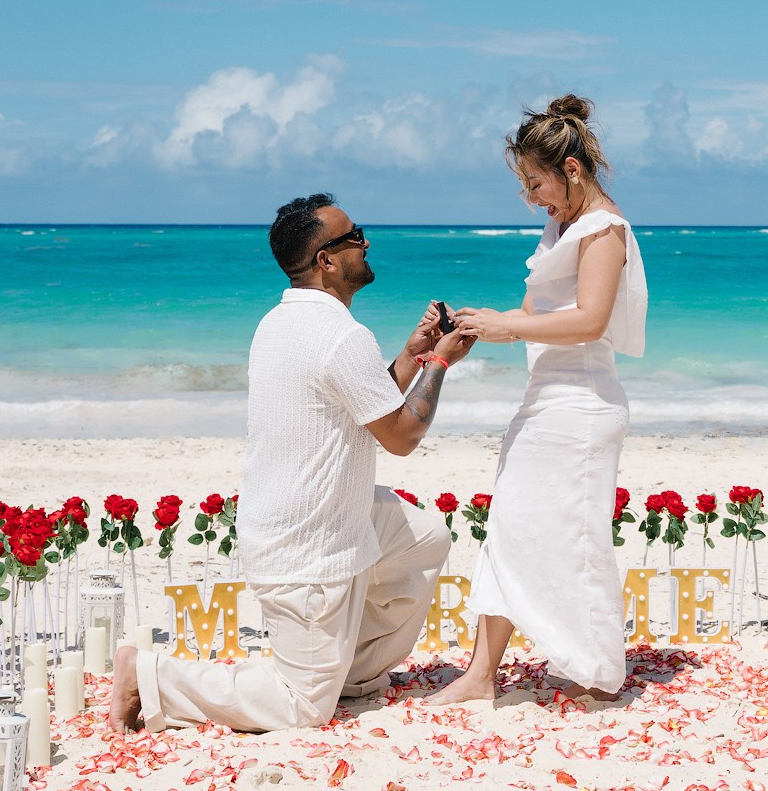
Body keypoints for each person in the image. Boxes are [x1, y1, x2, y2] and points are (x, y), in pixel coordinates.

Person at [108, 193, 474, 732]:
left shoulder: (280, 322)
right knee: (300, 706)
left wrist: (410, 355)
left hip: (322, 514)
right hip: (306, 548)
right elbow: (399, 436)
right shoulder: (340, 336)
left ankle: (349, 672)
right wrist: (440, 362)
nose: (366, 242)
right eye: (354, 237)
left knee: (422, 537)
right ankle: (151, 674)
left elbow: (360, 405)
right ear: (326, 260)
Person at [428, 95, 647, 703]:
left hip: (582, 404)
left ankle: (598, 671)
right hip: (544, 396)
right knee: (507, 527)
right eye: (525, 186)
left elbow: (591, 320)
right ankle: (480, 674)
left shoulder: (604, 230)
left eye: (535, 183)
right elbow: (534, 313)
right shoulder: (563, 226)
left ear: (572, 170)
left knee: (575, 538)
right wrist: (481, 321)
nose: (531, 198)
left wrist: (511, 329)